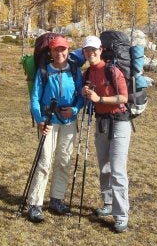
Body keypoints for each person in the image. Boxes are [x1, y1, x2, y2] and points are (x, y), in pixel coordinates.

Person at [26, 35, 84, 223]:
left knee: (64, 161)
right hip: (48, 120)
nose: (60, 53)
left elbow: (81, 96)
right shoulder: (44, 71)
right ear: (50, 52)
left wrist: (75, 109)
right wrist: (40, 119)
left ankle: (56, 200)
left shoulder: (74, 70)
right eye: (56, 49)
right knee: (44, 161)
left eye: (63, 49)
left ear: (68, 51)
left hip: (69, 122)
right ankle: (35, 203)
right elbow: (35, 98)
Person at [81, 35, 131, 233]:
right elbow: (89, 97)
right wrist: (86, 94)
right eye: (87, 50)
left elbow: (123, 98)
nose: (90, 53)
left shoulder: (112, 70)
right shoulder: (87, 74)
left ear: (100, 50)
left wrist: (99, 98)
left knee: (117, 170)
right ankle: (108, 203)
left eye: (93, 49)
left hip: (119, 123)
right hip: (101, 123)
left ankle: (121, 215)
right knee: (104, 167)